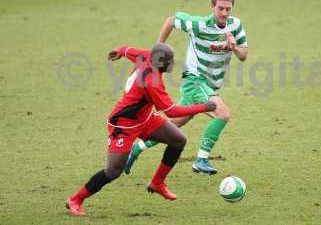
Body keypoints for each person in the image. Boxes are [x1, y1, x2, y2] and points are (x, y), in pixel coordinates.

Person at [66, 43, 217, 216]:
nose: (173, 63)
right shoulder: (152, 82)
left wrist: (119, 51)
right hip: (123, 125)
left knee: (178, 140)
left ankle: (157, 183)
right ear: (160, 62)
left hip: (145, 119)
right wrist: (202, 107)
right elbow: (171, 111)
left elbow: (128, 50)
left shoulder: (147, 56)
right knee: (113, 171)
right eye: (170, 60)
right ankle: (75, 199)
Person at [125, 0, 248, 175]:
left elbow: (243, 56)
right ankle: (201, 159)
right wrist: (156, 50)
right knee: (222, 114)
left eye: (228, 9)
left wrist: (234, 47)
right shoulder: (198, 24)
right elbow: (170, 20)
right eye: (220, 8)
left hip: (211, 84)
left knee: (173, 125)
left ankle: (137, 148)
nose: (224, 13)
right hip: (195, 80)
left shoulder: (236, 25)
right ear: (212, 7)